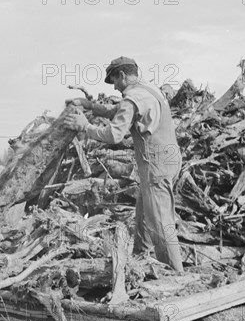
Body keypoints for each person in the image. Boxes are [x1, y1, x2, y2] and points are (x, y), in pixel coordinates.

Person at [64, 56, 184, 272]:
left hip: (155, 165)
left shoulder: (132, 98)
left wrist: (86, 127)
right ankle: (141, 261)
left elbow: (114, 134)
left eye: (115, 82)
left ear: (122, 75)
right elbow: (118, 111)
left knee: (159, 222)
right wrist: (91, 105)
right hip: (170, 159)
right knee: (144, 213)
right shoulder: (148, 89)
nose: (116, 88)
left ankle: (175, 274)